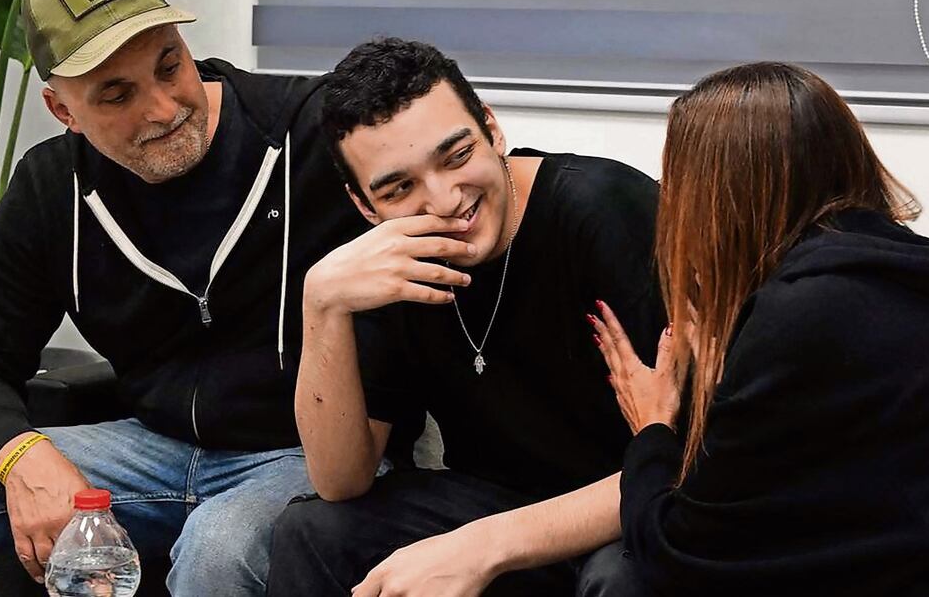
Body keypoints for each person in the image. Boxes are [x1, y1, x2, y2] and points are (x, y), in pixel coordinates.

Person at [0, 0, 365, 596]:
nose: (164, 108)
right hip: (152, 451)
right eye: (116, 94)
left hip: (310, 455)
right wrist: (23, 455)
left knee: (220, 545)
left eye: (170, 66)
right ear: (63, 111)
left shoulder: (311, 131)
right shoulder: (52, 188)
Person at [266, 38, 667, 596]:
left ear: (492, 130)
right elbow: (340, 480)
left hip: (632, 503)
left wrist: (487, 545)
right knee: (313, 532)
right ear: (364, 206)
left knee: (618, 578)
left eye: (456, 157)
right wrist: (322, 304)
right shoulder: (392, 262)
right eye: (399, 188)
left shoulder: (606, 211)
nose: (444, 200)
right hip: (495, 503)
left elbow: (693, 460)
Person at [592, 62, 929, 596]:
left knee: (616, 576)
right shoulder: (902, 268)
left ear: (718, 197)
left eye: (675, 183)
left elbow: (681, 553)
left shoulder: (803, 315)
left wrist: (652, 427)